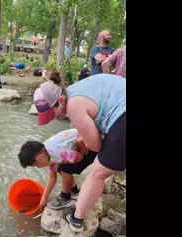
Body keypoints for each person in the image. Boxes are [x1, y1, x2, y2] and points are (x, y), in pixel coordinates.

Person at [32, 71, 125, 232]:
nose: (53, 118)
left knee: (97, 173)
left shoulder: (72, 105)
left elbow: (96, 146)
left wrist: (88, 140)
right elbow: (97, 109)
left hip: (122, 117)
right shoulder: (73, 89)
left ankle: (76, 220)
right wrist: (84, 135)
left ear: (60, 101)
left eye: (52, 113)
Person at [18, 129, 97, 210]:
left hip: (91, 146)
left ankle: (65, 198)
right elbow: (52, 178)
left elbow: (79, 158)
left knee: (63, 168)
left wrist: (60, 163)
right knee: (56, 167)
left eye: (36, 166)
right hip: (81, 145)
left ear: (39, 159)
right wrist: (44, 198)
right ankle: (74, 191)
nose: (38, 167)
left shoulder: (56, 149)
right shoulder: (45, 152)